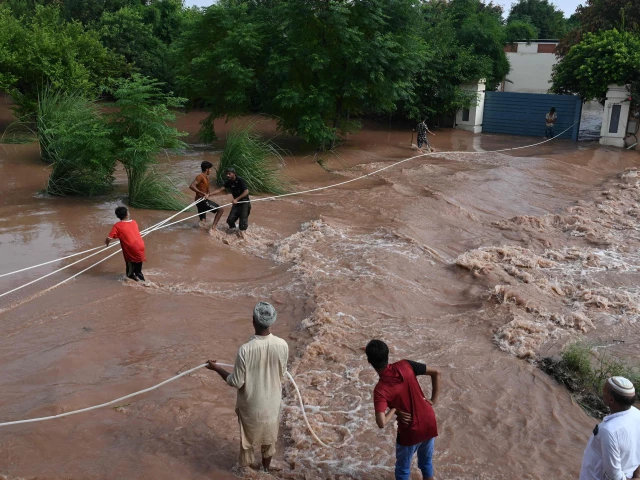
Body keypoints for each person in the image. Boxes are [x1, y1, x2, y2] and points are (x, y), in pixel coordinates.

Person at [206, 302, 289, 473]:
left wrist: (217, 369)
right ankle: (265, 471)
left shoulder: (245, 350)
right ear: (272, 322)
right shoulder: (283, 345)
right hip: (272, 403)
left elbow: (235, 382)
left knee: (247, 441)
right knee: (269, 439)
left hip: (252, 405)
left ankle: (246, 472)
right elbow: (283, 375)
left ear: (253, 321)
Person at [365, 339, 440, 480]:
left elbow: (381, 422)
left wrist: (394, 409)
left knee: (403, 470)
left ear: (369, 361)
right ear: (388, 355)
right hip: (429, 419)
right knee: (426, 463)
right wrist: (433, 400)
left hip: (411, 429)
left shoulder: (381, 389)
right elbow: (436, 372)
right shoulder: (405, 365)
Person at [579, 376, 640, 480]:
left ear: (611, 399)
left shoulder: (609, 431)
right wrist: (637, 475)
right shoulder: (637, 414)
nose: (602, 393)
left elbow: (615, 476)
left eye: (604, 391)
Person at [105, 206, 146, 282]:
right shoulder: (134, 222)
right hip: (141, 246)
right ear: (127, 215)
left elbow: (109, 238)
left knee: (129, 273)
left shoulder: (117, 226)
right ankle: (142, 280)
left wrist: (106, 243)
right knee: (138, 269)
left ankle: (140, 284)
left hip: (131, 249)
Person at [210, 167, 251, 238]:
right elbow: (220, 189)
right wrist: (209, 194)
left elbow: (246, 191)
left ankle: (243, 237)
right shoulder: (229, 182)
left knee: (243, 225)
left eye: (229, 174)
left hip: (244, 203)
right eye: (227, 174)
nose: (227, 175)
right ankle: (234, 233)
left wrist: (237, 199)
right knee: (230, 220)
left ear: (234, 174)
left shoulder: (240, 180)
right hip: (236, 203)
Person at [189, 160, 224, 235]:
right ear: (207, 169)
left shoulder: (205, 177)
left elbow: (204, 188)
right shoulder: (200, 176)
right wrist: (202, 193)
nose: (210, 171)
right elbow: (191, 186)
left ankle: (199, 234)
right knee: (220, 209)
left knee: (203, 221)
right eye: (210, 169)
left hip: (200, 200)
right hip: (201, 201)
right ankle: (213, 228)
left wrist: (207, 194)